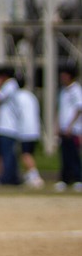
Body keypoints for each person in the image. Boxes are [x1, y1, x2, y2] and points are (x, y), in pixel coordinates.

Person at [0, 65, 22, 186]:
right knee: (8, 154)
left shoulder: (10, 84)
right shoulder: (11, 85)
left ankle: (7, 178)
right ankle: (13, 178)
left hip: (8, 126)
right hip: (6, 126)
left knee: (6, 154)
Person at [55, 64, 82, 192]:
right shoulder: (63, 90)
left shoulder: (76, 90)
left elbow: (79, 108)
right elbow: (60, 110)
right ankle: (65, 179)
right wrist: (58, 125)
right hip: (63, 128)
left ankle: (78, 179)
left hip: (73, 129)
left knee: (74, 155)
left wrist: (70, 126)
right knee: (64, 155)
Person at [15, 82, 43, 188]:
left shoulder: (17, 96)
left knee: (25, 154)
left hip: (25, 130)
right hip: (35, 129)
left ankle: (35, 176)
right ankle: (29, 176)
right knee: (29, 153)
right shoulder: (30, 95)